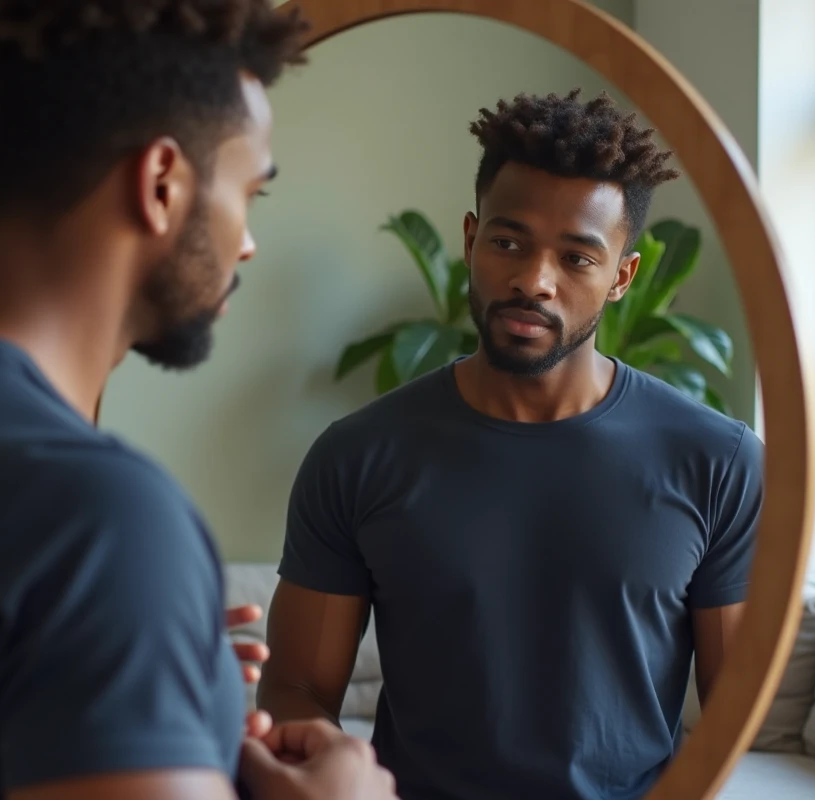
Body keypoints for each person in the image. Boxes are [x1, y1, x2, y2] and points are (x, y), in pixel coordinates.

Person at [0, 2, 398, 799]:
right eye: (250, 194)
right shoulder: (98, 517)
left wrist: (143, 695)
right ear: (161, 182)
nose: (248, 242)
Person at [258, 88, 764, 800]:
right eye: (508, 242)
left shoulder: (718, 460)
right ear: (470, 239)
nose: (534, 280)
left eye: (577, 258)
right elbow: (296, 687)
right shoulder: (357, 456)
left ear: (623, 275)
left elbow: (736, 714)